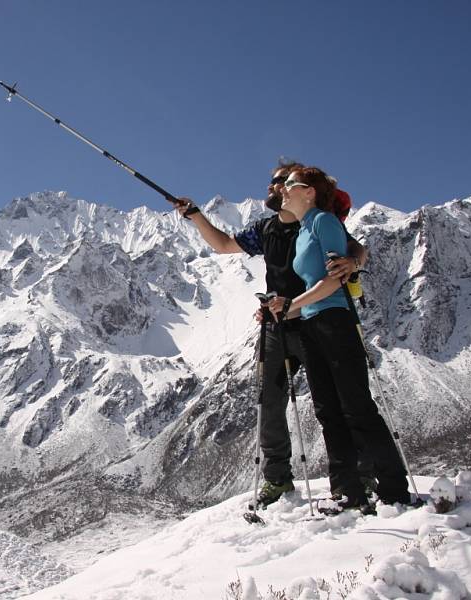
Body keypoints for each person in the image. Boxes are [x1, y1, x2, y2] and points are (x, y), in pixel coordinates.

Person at [174, 162, 366, 508]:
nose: (272, 188)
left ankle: (356, 475)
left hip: (315, 319)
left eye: (279, 182)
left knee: (333, 401)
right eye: (274, 182)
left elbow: (356, 249)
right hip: (277, 325)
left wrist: (353, 264)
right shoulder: (266, 229)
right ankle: (277, 478)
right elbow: (223, 245)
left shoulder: (315, 222)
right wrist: (196, 215)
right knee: (270, 402)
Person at [267, 166, 410, 512]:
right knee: (328, 411)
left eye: (290, 185)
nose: (282, 190)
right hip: (312, 326)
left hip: (335, 320)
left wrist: (291, 305)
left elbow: (335, 280)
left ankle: (393, 489)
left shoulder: (323, 222)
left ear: (309, 192)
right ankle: (346, 490)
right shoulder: (302, 231)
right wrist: (280, 308)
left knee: (357, 407)